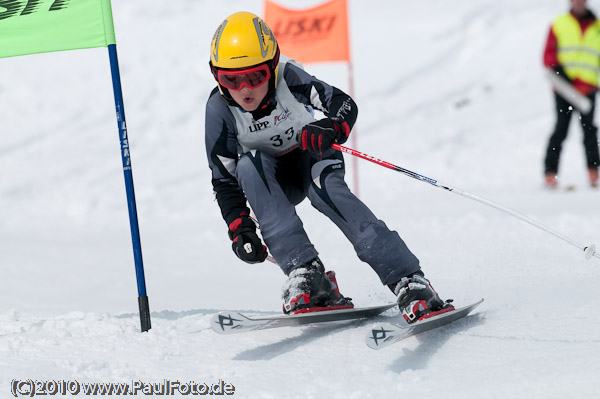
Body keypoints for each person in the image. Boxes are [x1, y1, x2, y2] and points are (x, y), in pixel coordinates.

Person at [204, 11, 453, 323]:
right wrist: (240, 228)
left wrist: (331, 126)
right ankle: (305, 272)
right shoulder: (219, 110)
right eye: (231, 79)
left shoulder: (288, 78)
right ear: (217, 76)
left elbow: (344, 103)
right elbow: (223, 180)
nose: (245, 89)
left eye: (255, 76)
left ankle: (408, 279)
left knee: (326, 191)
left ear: (272, 67)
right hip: (272, 180)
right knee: (247, 165)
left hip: (312, 156)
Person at [543, 0, 600, 189]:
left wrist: (587, 85)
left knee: (589, 131)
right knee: (561, 129)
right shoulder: (559, 23)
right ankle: (550, 174)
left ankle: (593, 173)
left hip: (588, 91)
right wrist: (567, 84)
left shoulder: (597, 27)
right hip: (564, 90)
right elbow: (548, 56)